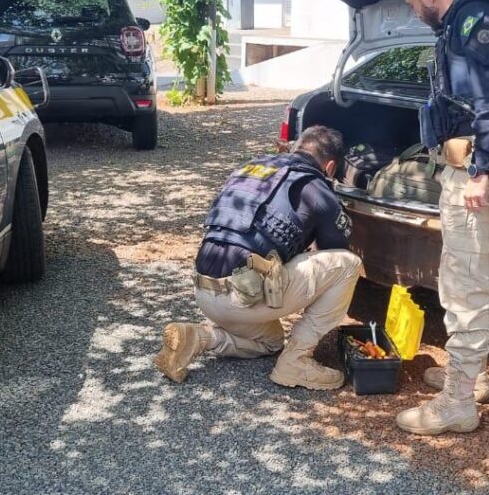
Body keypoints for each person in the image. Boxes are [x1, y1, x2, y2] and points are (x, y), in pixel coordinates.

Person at [395, 0, 489, 435]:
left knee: (466, 282)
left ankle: (457, 404)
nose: (415, 13)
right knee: (471, 277)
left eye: (414, 5)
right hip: (472, 166)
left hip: (478, 171)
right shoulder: (462, 22)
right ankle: (469, 378)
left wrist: (479, 171)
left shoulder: (475, 20)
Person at [154, 126, 363, 390]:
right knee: (348, 265)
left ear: (295, 147)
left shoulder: (253, 168)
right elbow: (333, 251)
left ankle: (198, 337)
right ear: (331, 167)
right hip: (243, 298)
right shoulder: (316, 187)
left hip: (204, 292)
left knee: (272, 341)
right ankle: (296, 361)